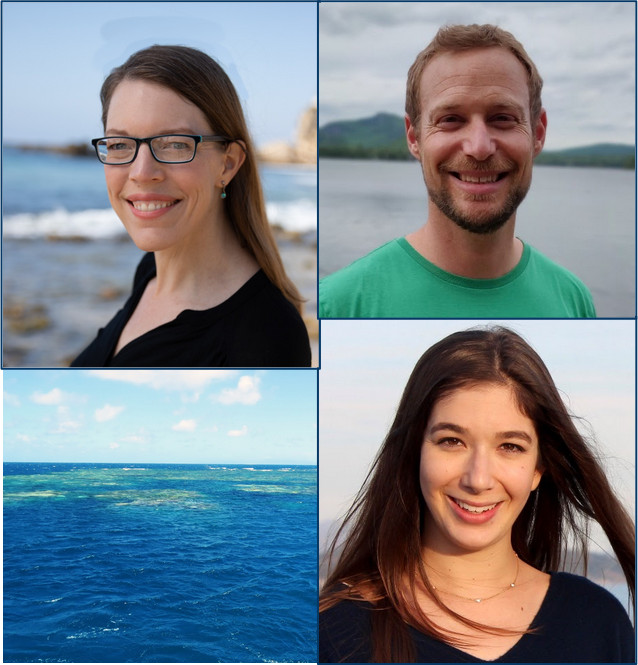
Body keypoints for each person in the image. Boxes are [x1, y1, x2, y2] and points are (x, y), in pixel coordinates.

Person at [319, 327, 634, 662]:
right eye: (452, 441)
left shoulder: (597, 621)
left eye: (510, 446)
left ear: (538, 468)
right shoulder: (335, 631)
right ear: (415, 452)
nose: (478, 479)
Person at [319, 25, 596, 318]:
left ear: (538, 133)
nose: (479, 147)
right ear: (414, 138)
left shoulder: (573, 300)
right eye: (451, 119)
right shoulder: (340, 304)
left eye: (502, 118)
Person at [72, 45, 311, 367]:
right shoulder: (151, 271)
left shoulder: (268, 334)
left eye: (174, 144)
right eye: (118, 144)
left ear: (227, 164)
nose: (142, 173)